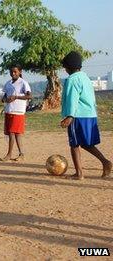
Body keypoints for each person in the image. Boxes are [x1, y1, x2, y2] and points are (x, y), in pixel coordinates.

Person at [60, 51, 112, 180]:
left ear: (68, 67)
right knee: (85, 143)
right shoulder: (85, 78)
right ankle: (105, 162)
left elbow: (73, 98)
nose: (64, 69)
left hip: (77, 116)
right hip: (90, 115)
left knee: (74, 144)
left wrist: (70, 116)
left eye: (65, 66)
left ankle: (79, 173)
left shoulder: (72, 79)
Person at [1, 64, 32, 161]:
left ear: (20, 72)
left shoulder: (23, 83)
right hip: (9, 110)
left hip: (18, 111)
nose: (13, 73)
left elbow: (29, 96)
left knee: (12, 132)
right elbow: (4, 97)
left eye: (15, 71)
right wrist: (6, 99)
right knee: (16, 133)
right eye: (11, 72)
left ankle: (9, 154)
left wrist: (16, 97)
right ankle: (21, 154)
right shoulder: (8, 84)